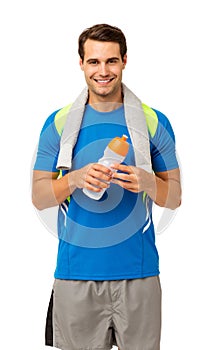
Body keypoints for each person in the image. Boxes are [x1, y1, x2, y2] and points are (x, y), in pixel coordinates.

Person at [32, 23, 181, 350]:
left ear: (125, 61)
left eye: (111, 61)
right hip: (75, 277)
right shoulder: (58, 123)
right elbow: (40, 196)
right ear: (81, 63)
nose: (103, 70)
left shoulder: (154, 121)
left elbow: (175, 198)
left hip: (139, 276)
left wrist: (148, 181)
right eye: (94, 61)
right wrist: (74, 178)